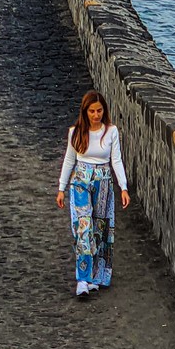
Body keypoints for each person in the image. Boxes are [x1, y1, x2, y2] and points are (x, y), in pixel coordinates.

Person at [56, 90, 130, 297]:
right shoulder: (76, 132)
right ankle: (83, 278)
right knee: (83, 227)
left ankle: (96, 276)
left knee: (100, 227)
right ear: (85, 111)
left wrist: (123, 187)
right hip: (80, 180)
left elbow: (116, 160)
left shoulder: (111, 132)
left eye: (99, 111)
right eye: (92, 111)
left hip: (103, 181)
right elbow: (69, 160)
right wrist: (61, 188)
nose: (96, 115)